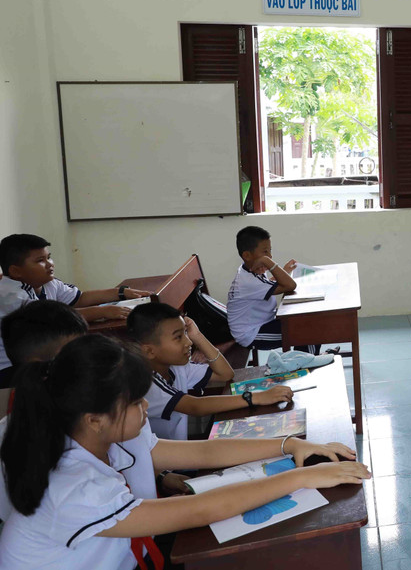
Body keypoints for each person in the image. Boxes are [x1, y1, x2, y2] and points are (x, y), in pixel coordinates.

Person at [0, 334, 369, 569]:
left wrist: (291, 445)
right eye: (138, 402)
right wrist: (301, 476)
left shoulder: (98, 433)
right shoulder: (72, 486)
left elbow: (201, 455)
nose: (147, 409)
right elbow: (199, 510)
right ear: (95, 418)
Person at [128, 302, 293, 440]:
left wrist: (198, 336)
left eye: (186, 333)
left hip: (180, 457)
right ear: (149, 351)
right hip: (166, 469)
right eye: (178, 337)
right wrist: (257, 397)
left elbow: (225, 374)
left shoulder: (176, 366)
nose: (188, 342)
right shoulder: (146, 383)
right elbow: (195, 406)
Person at [0, 234, 148, 385]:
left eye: (49, 257)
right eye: (40, 261)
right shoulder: (10, 295)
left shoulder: (47, 283)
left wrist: (119, 293)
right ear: (16, 271)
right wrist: (102, 311)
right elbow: (50, 321)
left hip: (40, 356)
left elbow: (79, 298)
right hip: (10, 369)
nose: (49, 264)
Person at [0, 301, 90, 521]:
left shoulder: (85, 408)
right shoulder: (14, 436)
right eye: (76, 355)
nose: (89, 360)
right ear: (41, 366)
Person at [227, 226, 304, 353]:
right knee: (306, 331)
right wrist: (267, 262)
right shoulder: (247, 281)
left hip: (265, 322)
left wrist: (284, 271)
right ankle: (308, 363)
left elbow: (268, 284)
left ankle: (306, 360)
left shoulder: (249, 271)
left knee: (306, 322)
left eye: (269, 251)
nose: (270, 256)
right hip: (252, 334)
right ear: (247, 255)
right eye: (265, 252)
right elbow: (290, 286)